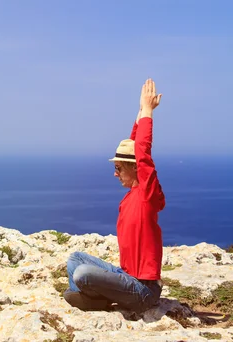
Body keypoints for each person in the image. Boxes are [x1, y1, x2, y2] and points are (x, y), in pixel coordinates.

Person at [63, 78, 166, 313]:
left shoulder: (146, 194)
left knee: (82, 273)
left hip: (143, 290)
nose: (115, 173)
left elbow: (142, 152)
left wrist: (149, 112)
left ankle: (92, 300)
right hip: (126, 276)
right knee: (75, 259)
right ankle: (92, 300)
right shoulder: (133, 194)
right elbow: (133, 143)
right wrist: (140, 112)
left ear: (135, 168)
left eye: (119, 168)